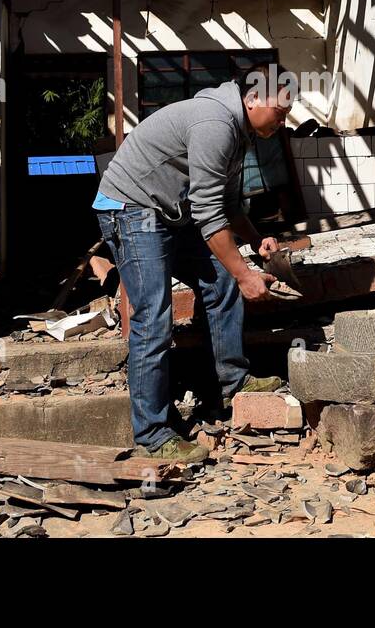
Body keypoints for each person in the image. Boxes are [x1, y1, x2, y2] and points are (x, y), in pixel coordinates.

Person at [94, 63, 293, 462]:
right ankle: (152, 435)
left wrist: (257, 241)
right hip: (131, 208)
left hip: (167, 212)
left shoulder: (240, 132)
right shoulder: (216, 123)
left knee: (219, 281)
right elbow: (207, 212)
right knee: (154, 315)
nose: (284, 118)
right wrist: (246, 275)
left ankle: (232, 384)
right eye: (281, 109)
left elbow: (229, 205)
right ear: (252, 98)